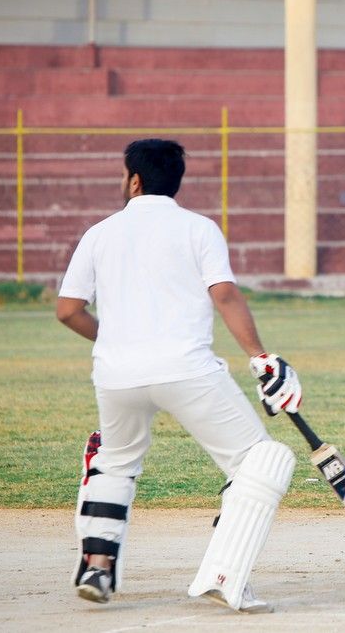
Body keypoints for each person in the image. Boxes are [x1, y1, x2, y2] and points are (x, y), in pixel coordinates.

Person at [56, 139, 303, 613]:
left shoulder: (99, 233)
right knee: (260, 461)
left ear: (134, 180)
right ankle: (223, 575)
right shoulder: (199, 228)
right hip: (187, 371)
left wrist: (116, 340)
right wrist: (260, 356)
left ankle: (97, 567)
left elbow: (68, 310)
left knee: (116, 463)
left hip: (116, 375)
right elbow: (224, 295)